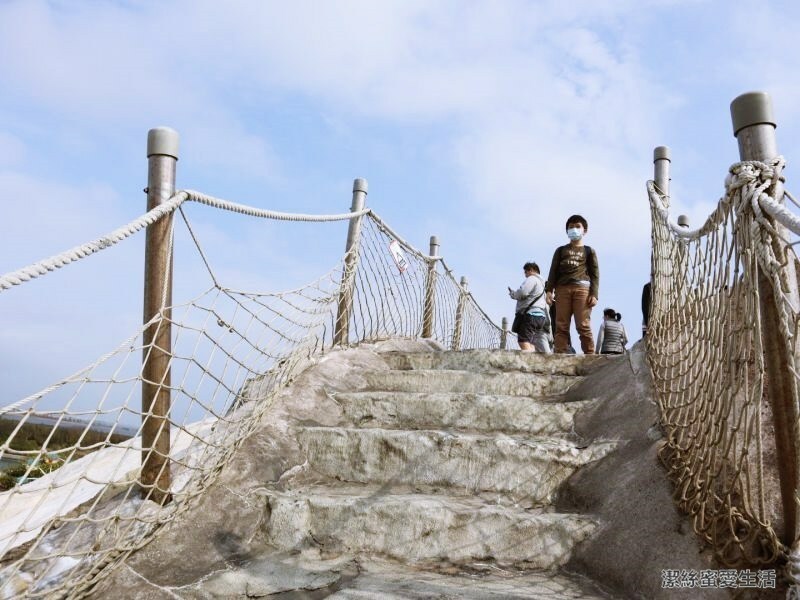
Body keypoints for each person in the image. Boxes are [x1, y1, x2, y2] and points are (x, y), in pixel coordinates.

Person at [545, 214, 599, 354]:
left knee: (583, 325)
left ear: (584, 230)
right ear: (567, 231)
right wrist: (549, 291)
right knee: (561, 325)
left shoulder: (589, 251)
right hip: (562, 289)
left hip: (582, 289)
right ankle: (560, 353)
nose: (574, 229)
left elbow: (595, 274)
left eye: (577, 226)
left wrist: (594, 294)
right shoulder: (560, 250)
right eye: (571, 227)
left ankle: (590, 355)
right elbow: (553, 271)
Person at [508, 262, 551, 354]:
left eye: (525, 272)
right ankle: (533, 360)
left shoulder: (532, 279)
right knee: (531, 342)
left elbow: (523, 292)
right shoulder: (543, 284)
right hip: (540, 317)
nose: (525, 275)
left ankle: (529, 363)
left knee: (523, 340)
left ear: (531, 270)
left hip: (531, 315)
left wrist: (513, 294)